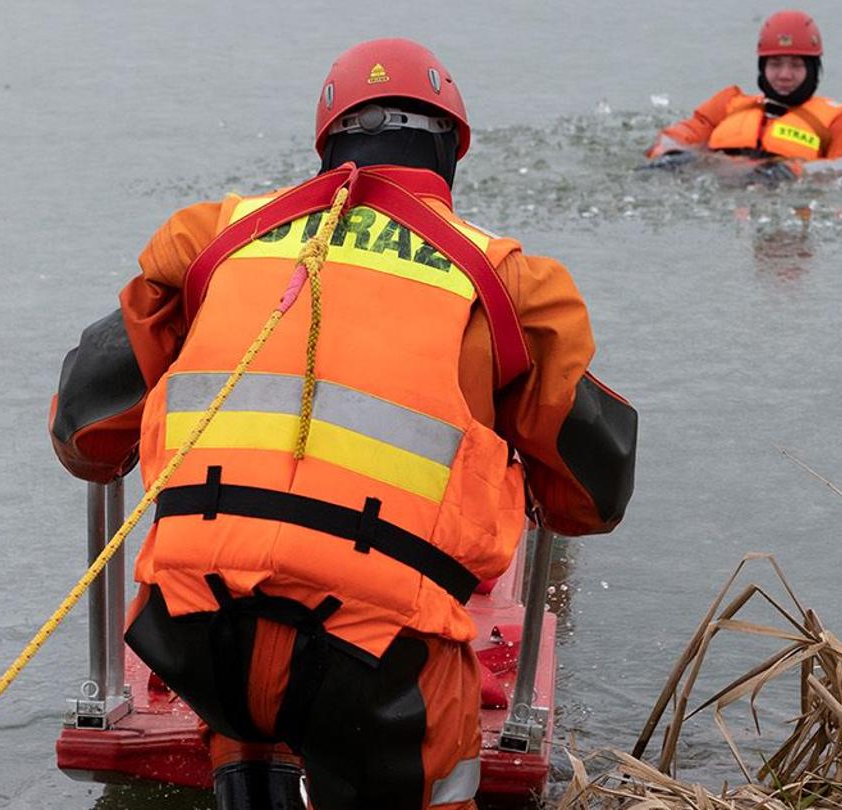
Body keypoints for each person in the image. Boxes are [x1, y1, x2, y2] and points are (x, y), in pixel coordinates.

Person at [46, 38, 637, 810]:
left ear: (327, 144)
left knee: (247, 634)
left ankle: (247, 778)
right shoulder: (509, 283)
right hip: (381, 664)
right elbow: (591, 497)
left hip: (188, 629)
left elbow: (83, 428)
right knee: (428, 755)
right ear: (451, 151)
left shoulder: (212, 238)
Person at [644, 10, 842, 182]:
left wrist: (795, 172)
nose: (784, 75)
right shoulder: (728, 104)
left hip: (782, 191)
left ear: (813, 69)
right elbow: (677, 135)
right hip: (718, 189)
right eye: (775, 64)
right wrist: (671, 156)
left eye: (796, 65)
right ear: (762, 67)